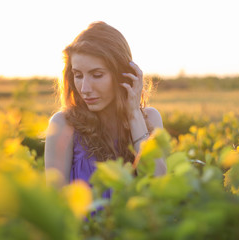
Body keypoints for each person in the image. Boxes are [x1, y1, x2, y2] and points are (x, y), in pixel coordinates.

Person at [44, 21, 166, 190]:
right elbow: (55, 205)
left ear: (123, 75)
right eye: (78, 75)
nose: (85, 89)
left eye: (97, 75)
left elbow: (158, 186)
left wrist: (133, 115)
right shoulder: (63, 125)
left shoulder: (151, 119)